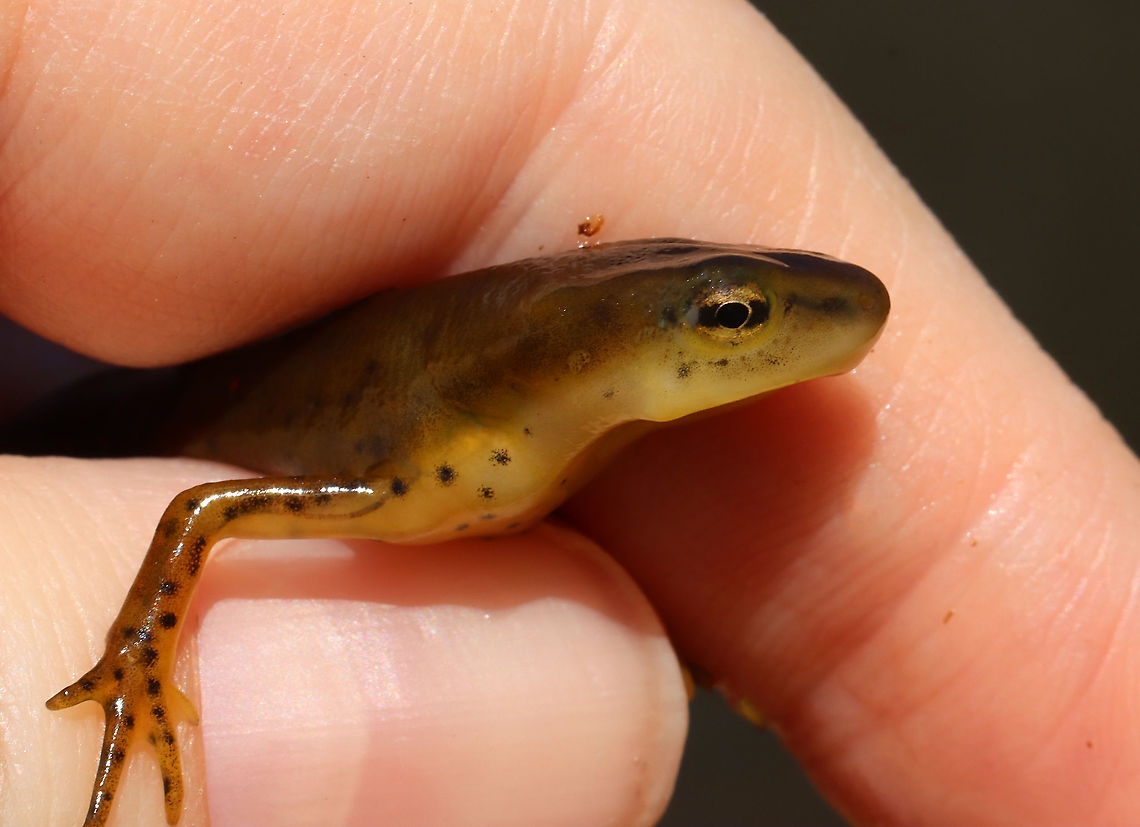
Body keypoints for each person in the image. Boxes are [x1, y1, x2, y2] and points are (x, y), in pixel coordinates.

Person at [2, 2, 1138, 824]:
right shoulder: (411, 466)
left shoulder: (582, 435)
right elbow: (203, 509)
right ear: (572, 357)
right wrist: (141, 659)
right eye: (735, 314)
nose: (759, 334)